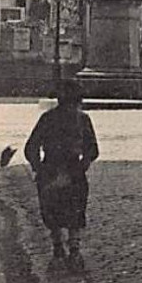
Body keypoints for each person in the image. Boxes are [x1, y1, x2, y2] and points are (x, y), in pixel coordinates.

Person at [23, 81, 100, 268]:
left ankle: (58, 247)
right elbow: (93, 150)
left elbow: (30, 147)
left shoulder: (48, 118)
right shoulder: (82, 119)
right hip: (74, 171)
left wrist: (38, 168)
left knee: (53, 211)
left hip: (51, 169)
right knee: (74, 212)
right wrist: (83, 165)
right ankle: (73, 250)